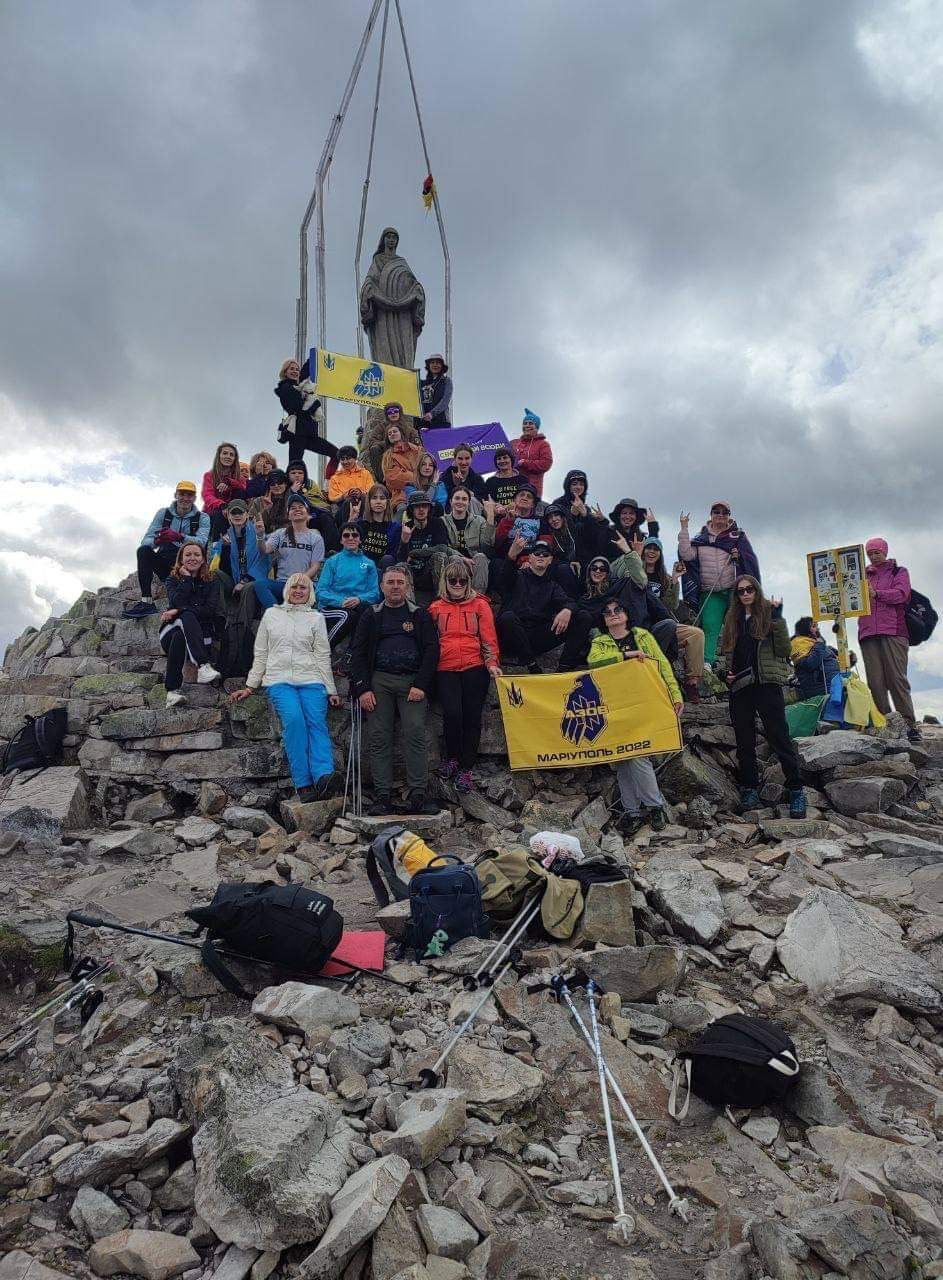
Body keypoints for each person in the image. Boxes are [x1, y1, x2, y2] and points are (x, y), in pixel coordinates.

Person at [230, 573, 342, 802]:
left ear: (309, 592)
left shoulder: (316, 618)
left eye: (303, 587)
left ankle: (324, 777)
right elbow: (261, 653)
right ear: (287, 590)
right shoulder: (272, 615)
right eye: (294, 587)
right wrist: (251, 685)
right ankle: (304, 783)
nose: (298, 591)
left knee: (316, 725)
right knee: (294, 722)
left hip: (312, 679)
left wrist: (331, 689)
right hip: (279, 680)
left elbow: (322, 655)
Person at [350, 563, 440, 816]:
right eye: (390, 582)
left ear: (408, 586)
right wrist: (363, 689)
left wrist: (421, 684)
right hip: (379, 682)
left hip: (412, 683)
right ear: (381, 587)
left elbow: (432, 650)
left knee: (415, 733)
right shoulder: (371, 614)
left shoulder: (419, 615)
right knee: (379, 736)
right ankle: (382, 796)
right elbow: (357, 653)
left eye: (400, 582)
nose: (395, 586)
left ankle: (418, 794)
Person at [587, 599, 683, 835]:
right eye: (607, 612)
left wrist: (675, 694)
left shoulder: (644, 636)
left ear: (627, 614)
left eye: (618, 609)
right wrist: (626, 656)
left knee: (639, 754)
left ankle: (654, 806)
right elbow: (594, 662)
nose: (613, 614)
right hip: (614, 707)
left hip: (642, 704)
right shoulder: (600, 641)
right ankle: (631, 812)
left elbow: (661, 666)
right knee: (621, 760)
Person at [716, 576, 807, 818]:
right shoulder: (732, 620)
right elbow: (724, 653)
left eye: (749, 590)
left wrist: (777, 619)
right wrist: (725, 673)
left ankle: (796, 789)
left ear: (757, 591)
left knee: (780, 737)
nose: (745, 594)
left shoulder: (769, 615)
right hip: (740, 687)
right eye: (740, 591)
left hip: (766, 684)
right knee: (744, 741)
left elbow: (785, 650)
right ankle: (750, 789)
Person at [429, 559, 501, 792]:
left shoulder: (480, 605)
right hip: (445, 667)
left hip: (474, 666)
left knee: (472, 718)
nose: (458, 584)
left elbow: (488, 638)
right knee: (452, 714)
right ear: (446, 582)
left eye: (462, 580)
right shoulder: (435, 608)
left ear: (468, 581)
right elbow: (429, 643)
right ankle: (453, 759)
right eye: (453, 580)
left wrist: (491, 663)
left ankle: (466, 769)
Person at [679, 502, 760, 666]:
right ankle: (707, 662)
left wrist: (738, 557)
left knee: (740, 626)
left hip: (734, 591)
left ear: (729, 515)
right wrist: (684, 528)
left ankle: (743, 663)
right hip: (711, 592)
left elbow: (748, 561)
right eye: (716, 512)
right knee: (710, 626)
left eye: (724, 512)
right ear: (711, 515)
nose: (720, 515)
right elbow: (686, 555)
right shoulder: (701, 540)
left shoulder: (737, 538)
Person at [496, 539, 592, 672]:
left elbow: (569, 601)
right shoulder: (517, 577)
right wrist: (511, 556)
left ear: (550, 560)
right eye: (537, 553)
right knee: (507, 617)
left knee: (583, 616)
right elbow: (504, 578)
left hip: (537, 637)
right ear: (529, 558)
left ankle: (564, 666)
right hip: (511, 637)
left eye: (545, 554)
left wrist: (567, 609)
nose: (541, 556)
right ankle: (531, 665)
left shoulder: (552, 586)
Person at [859, 537, 920, 740]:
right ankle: (884, 723)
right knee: (875, 681)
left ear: (885, 552)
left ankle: (909, 725)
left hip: (894, 631)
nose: (874, 556)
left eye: (877, 552)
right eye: (870, 553)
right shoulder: (861, 575)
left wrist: (876, 594)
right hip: (868, 632)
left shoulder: (898, 572)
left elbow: (902, 594)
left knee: (896, 679)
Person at [124, 481, 210, 618]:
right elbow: (146, 540)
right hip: (165, 564)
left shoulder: (203, 518)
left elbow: (202, 541)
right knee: (143, 551)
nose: (185, 498)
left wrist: (179, 537)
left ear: (194, 498)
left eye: (189, 495)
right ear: (176, 495)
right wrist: (157, 541)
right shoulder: (163, 514)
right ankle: (146, 602)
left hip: (188, 566)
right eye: (182, 494)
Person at [641, 537, 706, 702]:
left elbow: (670, 605)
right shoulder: (635, 573)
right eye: (649, 548)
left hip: (664, 623)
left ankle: (691, 683)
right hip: (642, 626)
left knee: (696, 634)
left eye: (656, 549)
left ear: (660, 554)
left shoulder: (664, 577)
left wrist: (675, 580)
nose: (652, 552)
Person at [211, 498, 270, 676]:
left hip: (250, 582)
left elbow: (264, 561)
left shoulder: (258, 532)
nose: (237, 515)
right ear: (228, 516)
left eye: (240, 512)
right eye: (233, 513)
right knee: (214, 577)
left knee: (249, 587)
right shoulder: (224, 537)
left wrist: (244, 580)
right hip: (232, 583)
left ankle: (241, 640)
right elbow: (215, 566)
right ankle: (220, 620)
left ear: (247, 514)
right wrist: (223, 548)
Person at [159, 541, 222, 708]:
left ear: (203, 559)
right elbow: (176, 600)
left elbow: (209, 610)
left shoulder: (212, 581)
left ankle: (171, 692)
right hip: (169, 631)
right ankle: (202, 665)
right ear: (181, 558)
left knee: (181, 633)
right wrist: (186, 580)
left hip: (198, 636)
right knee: (184, 617)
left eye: (196, 554)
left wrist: (177, 609)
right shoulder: (172, 580)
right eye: (188, 555)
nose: (192, 558)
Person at [359, 227, 425, 368]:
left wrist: (416, 292)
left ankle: (404, 371)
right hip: (383, 311)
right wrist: (372, 291)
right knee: (385, 347)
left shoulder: (402, 262)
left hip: (403, 313)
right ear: (383, 240)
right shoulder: (378, 260)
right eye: (388, 237)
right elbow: (369, 281)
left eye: (394, 237)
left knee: (403, 345)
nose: (391, 240)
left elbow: (414, 284)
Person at [253, 494, 324, 610]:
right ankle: (276, 615)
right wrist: (260, 535)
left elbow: (315, 566)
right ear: (288, 515)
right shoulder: (280, 533)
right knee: (260, 584)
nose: (297, 510)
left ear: (308, 513)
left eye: (300, 507)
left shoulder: (316, 537)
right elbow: (265, 550)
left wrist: (297, 581)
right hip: (283, 584)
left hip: (305, 584)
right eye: (293, 508)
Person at [315, 522, 380, 647]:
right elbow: (320, 592)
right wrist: (341, 601)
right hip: (332, 608)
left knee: (365, 612)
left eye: (355, 535)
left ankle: (352, 653)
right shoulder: (332, 562)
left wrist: (359, 599)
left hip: (357, 606)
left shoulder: (369, 564)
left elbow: (375, 593)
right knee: (348, 615)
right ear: (341, 540)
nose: (351, 538)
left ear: (360, 540)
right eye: (346, 535)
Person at [274, 357, 339, 467]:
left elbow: (304, 371)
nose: (295, 371)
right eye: (291, 369)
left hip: (309, 433)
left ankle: (329, 479)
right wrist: (314, 406)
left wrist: (315, 356)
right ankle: (292, 484)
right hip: (298, 434)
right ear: (285, 372)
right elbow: (297, 408)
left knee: (337, 453)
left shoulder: (298, 384)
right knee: (295, 466)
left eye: (296, 369)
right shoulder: (286, 387)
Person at [443, 486, 496, 592]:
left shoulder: (479, 520)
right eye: (457, 498)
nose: (460, 502)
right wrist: (462, 557)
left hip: (474, 562)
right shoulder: (442, 521)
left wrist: (490, 516)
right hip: (453, 562)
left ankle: (478, 597)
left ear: (468, 502)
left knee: (481, 556)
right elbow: (443, 546)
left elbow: (487, 545)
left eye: (464, 499)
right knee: (455, 558)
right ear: (451, 501)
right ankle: (456, 594)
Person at [552, 470, 608, 568]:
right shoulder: (558, 504)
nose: (578, 487)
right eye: (574, 484)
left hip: (586, 556)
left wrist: (601, 520)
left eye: (581, 484)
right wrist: (572, 515)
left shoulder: (586, 508)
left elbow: (593, 536)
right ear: (568, 486)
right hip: (565, 555)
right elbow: (558, 530)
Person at [397, 493, 451, 594]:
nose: (421, 509)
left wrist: (414, 553)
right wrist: (404, 541)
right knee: (401, 566)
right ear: (411, 509)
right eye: (417, 506)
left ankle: (441, 598)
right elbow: (400, 559)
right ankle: (410, 606)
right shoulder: (406, 527)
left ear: (429, 508)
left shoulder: (437, 523)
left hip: (431, 571)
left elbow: (442, 548)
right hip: (412, 573)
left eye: (424, 506)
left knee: (440, 556)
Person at [285, 458, 338, 551]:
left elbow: (318, 501)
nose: (297, 475)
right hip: (297, 518)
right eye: (293, 473)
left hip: (315, 515)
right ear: (288, 475)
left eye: (300, 473)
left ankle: (329, 550)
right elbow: (287, 504)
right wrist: (293, 492)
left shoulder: (311, 484)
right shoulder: (284, 487)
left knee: (326, 518)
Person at [361, 402, 421, 481]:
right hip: (388, 454)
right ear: (386, 415)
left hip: (406, 454)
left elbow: (417, 442)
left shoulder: (408, 428)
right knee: (374, 449)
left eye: (395, 411)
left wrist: (403, 444)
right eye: (390, 412)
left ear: (400, 412)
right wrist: (390, 443)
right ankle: (382, 479)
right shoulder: (381, 427)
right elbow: (373, 442)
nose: (393, 414)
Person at [202, 443, 247, 539]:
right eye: (225, 453)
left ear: (235, 458)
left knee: (239, 491)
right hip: (214, 513)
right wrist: (222, 505)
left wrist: (229, 483)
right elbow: (207, 495)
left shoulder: (240, 478)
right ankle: (215, 548)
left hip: (234, 512)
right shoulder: (209, 475)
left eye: (231, 455)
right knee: (218, 515)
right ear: (219, 456)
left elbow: (243, 489)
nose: (228, 457)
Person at [790, 617, 840, 702]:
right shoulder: (798, 643)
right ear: (805, 629)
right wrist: (820, 645)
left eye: (817, 626)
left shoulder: (817, 644)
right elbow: (810, 663)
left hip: (833, 685)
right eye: (813, 626)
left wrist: (849, 658)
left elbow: (836, 660)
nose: (817, 628)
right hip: (820, 687)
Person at [356, 484, 401, 568]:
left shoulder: (395, 528)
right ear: (369, 501)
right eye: (374, 498)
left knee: (388, 559)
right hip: (362, 568)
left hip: (383, 571)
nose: (378, 501)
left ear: (387, 502)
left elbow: (394, 556)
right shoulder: (360, 525)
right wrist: (351, 520)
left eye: (382, 498)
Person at [510, 410, 553, 499]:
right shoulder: (513, 443)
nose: (527, 426)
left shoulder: (543, 444)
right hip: (511, 488)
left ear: (536, 427)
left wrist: (525, 463)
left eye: (531, 423)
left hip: (532, 490)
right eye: (525, 423)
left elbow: (546, 464)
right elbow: (501, 457)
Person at [381, 422, 422, 510]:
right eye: (389, 433)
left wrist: (405, 473)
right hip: (401, 494)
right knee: (402, 509)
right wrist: (416, 478)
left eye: (395, 431)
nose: (392, 434)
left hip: (423, 489)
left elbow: (426, 468)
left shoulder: (417, 450)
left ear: (401, 433)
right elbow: (392, 478)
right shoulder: (387, 456)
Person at [484, 447, 527, 513]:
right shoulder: (490, 481)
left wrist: (509, 506)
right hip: (498, 517)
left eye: (505, 457)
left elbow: (527, 499)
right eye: (499, 459)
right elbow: (487, 500)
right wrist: (495, 506)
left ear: (511, 460)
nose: (502, 461)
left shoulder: (523, 479)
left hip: (519, 516)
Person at [420, 354, 452, 426]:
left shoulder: (446, 381)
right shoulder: (422, 383)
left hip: (441, 421)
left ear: (442, 366)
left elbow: (445, 400)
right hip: (423, 423)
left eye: (437, 363)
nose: (435, 365)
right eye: (432, 363)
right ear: (429, 366)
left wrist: (432, 414)